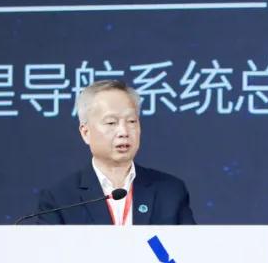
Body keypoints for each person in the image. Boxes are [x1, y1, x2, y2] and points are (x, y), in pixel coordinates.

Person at [32, 80, 196, 225]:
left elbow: (186, 249)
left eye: (131, 121)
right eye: (111, 122)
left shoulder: (170, 191)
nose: (124, 131)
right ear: (86, 132)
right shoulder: (60, 199)